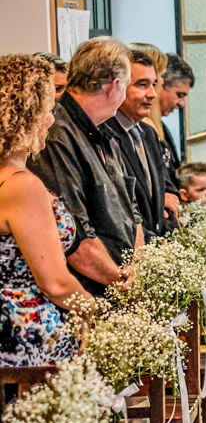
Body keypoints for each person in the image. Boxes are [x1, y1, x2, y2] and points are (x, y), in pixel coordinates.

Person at [28, 36, 143, 298]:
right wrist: (123, 284)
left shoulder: (105, 129)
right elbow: (75, 237)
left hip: (119, 286)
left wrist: (137, 269)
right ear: (114, 86)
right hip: (90, 295)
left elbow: (132, 209)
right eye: (127, 86)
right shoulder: (55, 136)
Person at [0, 55, 94, 366]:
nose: (51, 121)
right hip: (28, 338)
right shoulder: (21, 185)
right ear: (25, 115)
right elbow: (54, 283)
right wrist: (94, 311)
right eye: (47, 110)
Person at [104, 51, 174, 241]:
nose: (152, 94)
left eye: (154, 84)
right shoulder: (105, 136)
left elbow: (161, 195)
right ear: (117, 86)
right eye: (142, 85)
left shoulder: (148, 133)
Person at [154, 53, 194, 190]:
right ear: (160, 85)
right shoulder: (139, 131)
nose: (182, 104)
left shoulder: (161, 129)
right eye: (179, 95)